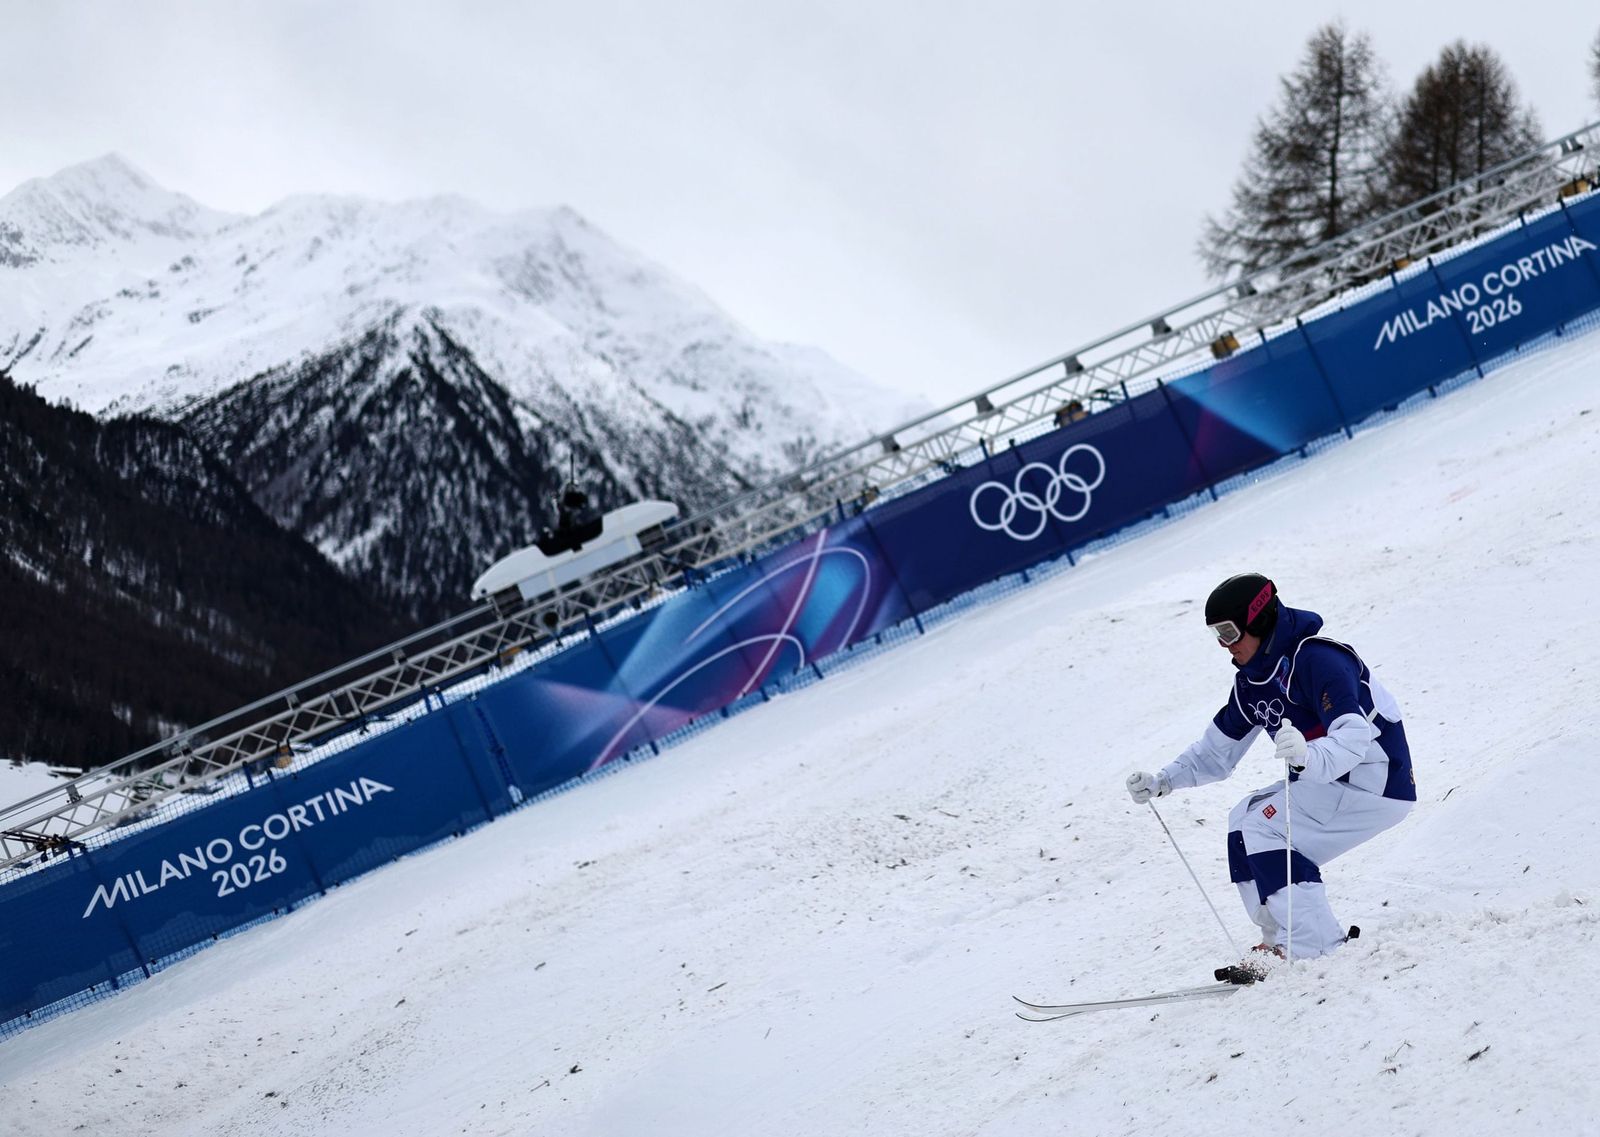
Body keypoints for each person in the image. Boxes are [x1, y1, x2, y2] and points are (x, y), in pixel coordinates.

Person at [1125, 573, 1415, 974]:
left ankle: (1317, 947)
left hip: (1374, 780)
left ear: (1259, 619)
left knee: (1267, 827)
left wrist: (1308, 757)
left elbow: (1353, 739)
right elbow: (1215, 752)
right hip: (1330, 782)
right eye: (1216, 635)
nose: (1225, 645)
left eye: (1229, 631)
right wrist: (1163, 782)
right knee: (1242, 820)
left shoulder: (1317, 661)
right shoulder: (1251, 682)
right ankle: (1279, 939)